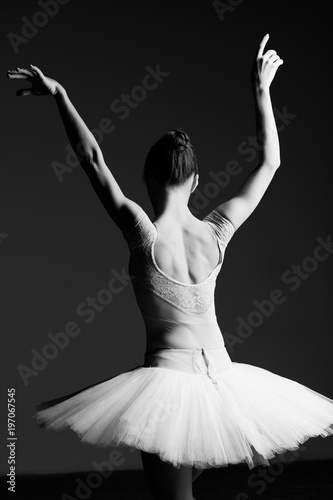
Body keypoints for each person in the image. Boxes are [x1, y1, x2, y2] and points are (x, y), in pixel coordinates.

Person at [7, 34, 333, 500]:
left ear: (147, 177)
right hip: (224, 382)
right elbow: (271, 162)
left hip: (169, 388)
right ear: (196, 179)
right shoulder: (217, 231)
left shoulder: (143, 231)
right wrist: (262, 91)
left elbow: (94, 160)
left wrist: (60, 95)